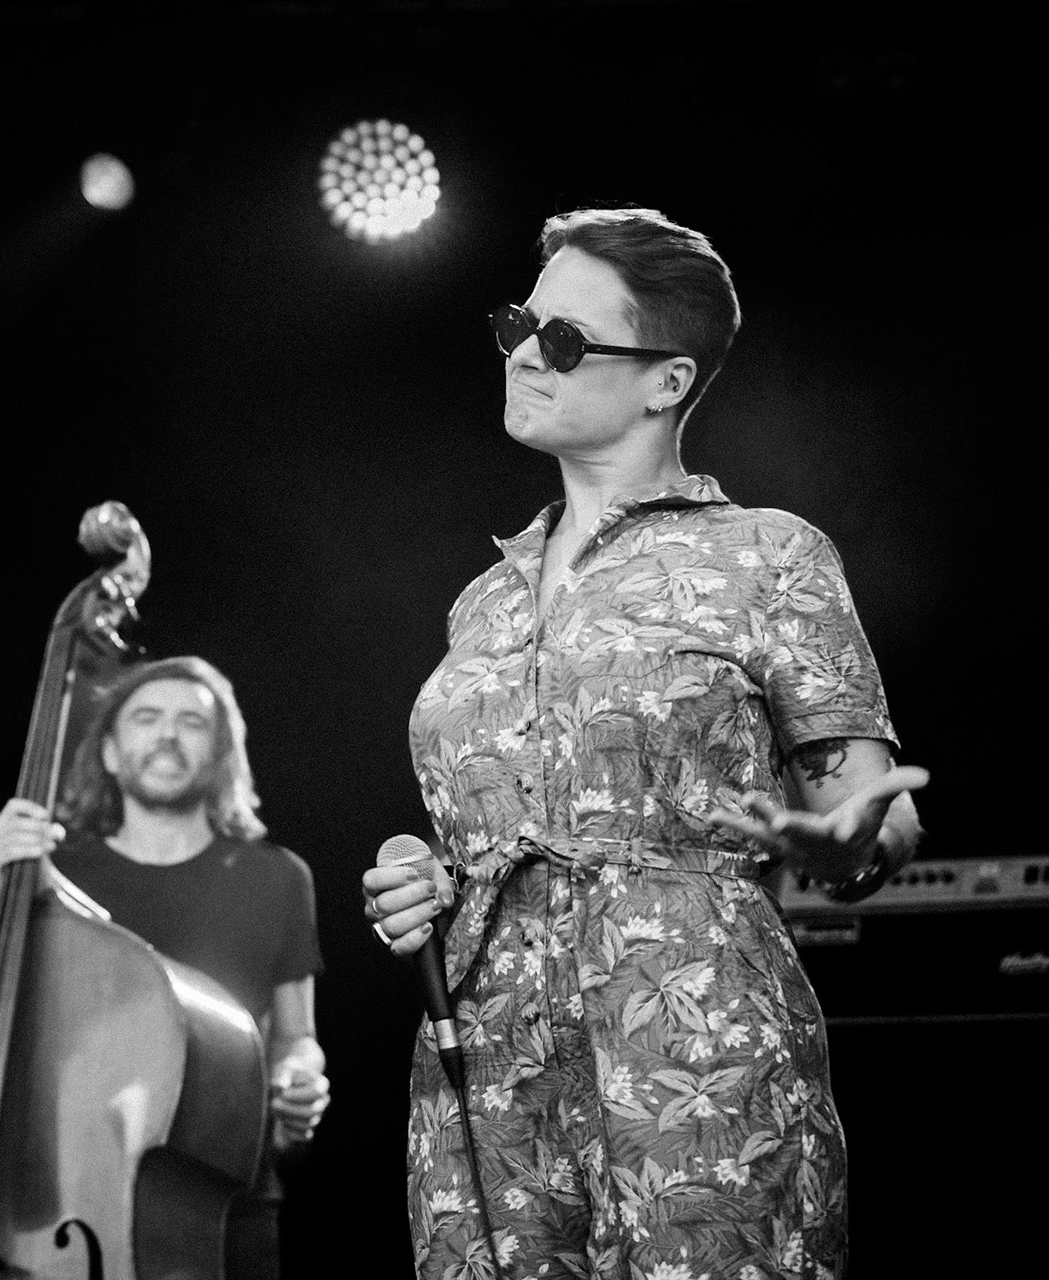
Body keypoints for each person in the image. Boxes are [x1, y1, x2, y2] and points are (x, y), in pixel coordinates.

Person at [360, 206, 926, 1280]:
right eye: (521, 323)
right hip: (485, 1066)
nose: (526, 351)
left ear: (666, 381)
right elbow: (484, 825)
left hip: (693, 1041)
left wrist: (844, 835)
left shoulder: (768, 556)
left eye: (565, 339)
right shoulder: (481, 600)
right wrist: (421, 875)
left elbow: (873, 813)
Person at [0, 654, 329, 1280]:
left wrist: (300, 1077)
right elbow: (7, 1024)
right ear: (110, 752)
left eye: (191, 723)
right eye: (146, 717)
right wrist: (3, 891)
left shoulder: (277, 876)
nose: (167, 734)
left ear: (222, 753)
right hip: (64, 1198)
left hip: (226, 1193)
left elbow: (296, 1036)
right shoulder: (59, 876)